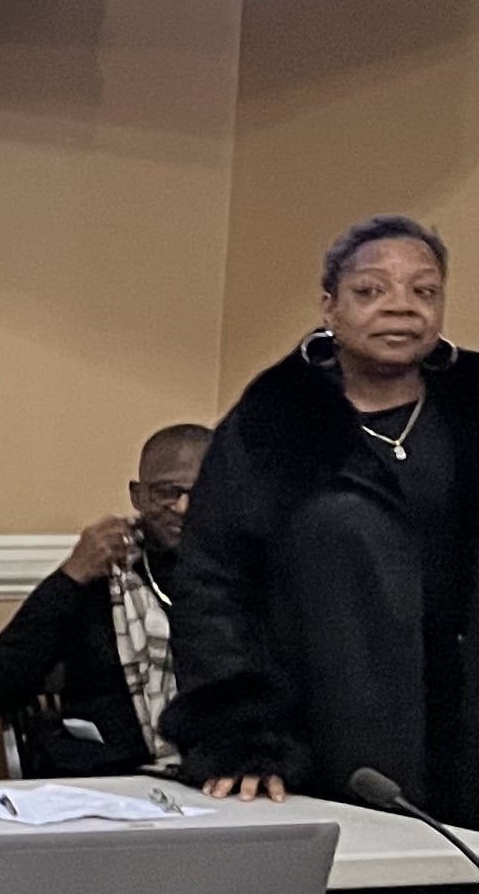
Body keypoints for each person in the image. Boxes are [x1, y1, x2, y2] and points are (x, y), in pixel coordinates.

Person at [169, 216, 479, 815]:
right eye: (371, 290)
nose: (402, 307)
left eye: (425, 290)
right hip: (329, 752)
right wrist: (243, 738)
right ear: (329, 305)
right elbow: (213, 586)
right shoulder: (273, 422)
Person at [0, 424, 209, 779]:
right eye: (167, 492)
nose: (183, 506)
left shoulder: (247, 581)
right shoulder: (100, 576)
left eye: (202, 491)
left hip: (218, 778)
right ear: (138, 495)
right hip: (107, 784)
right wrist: (70, 577)